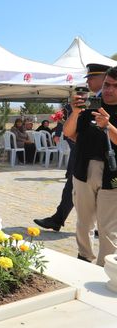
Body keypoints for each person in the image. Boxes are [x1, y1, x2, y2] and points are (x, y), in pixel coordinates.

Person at [34, 64, 110, 233]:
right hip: (83, 152)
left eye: (92, 77)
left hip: (101, 158)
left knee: (101, 193)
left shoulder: (109, 101)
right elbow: (73, 130)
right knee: (73, 185)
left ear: (105, 77)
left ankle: (101, 225)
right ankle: (59, 219)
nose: (88, 80)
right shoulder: (88, 100)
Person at [63, 66, 117, 266]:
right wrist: (76, 112)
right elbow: (69, 133)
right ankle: (84, 258)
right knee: (84, 222)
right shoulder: (90, 105)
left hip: (112, 174)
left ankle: (106, 266)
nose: (109, 90)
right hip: (83, 170)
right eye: (106, 85)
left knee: (108, 227)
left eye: (115, 86)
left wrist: (108, 126)